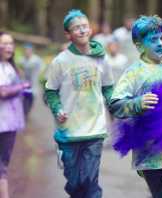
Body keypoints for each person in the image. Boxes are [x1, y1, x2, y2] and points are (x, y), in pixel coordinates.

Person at [109, 15, 162, 198]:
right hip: (149, 155)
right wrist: (137, 104)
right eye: (154, 40)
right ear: (139, 46)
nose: (161, 43)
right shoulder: (133, 73)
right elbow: (115, 104)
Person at [44, 9, 114, 198]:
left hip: (95, 129)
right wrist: (57, 108)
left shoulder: (101, 57)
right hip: (69, 131)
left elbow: (108, 87)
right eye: (76, 28)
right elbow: (50, 91)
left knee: (90, 182)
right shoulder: (61, 61)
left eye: (85, 26)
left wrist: (114, 104)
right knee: (75, 182)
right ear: (68, 34)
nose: (82, 31)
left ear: (90, 30)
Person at [0, 32, 30, 198]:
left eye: (10, 43)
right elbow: (2, 92)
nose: (8, 47)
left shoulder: (10, 66)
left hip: (10, 124)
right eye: (4, 43)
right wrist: (23, 86)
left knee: (3, 165)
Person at [19, 43, 44, 117]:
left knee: (31, 100)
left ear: (31, 51)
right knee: (24, 100)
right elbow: (19, 69)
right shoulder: (21, 60)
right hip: (24, 84)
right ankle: (25, 114)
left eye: (28, 50)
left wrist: (38, 74)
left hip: (34, 84)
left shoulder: (36, 60)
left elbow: (42, 68)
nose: (27, 51)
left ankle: (27, 112)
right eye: (25, 50)